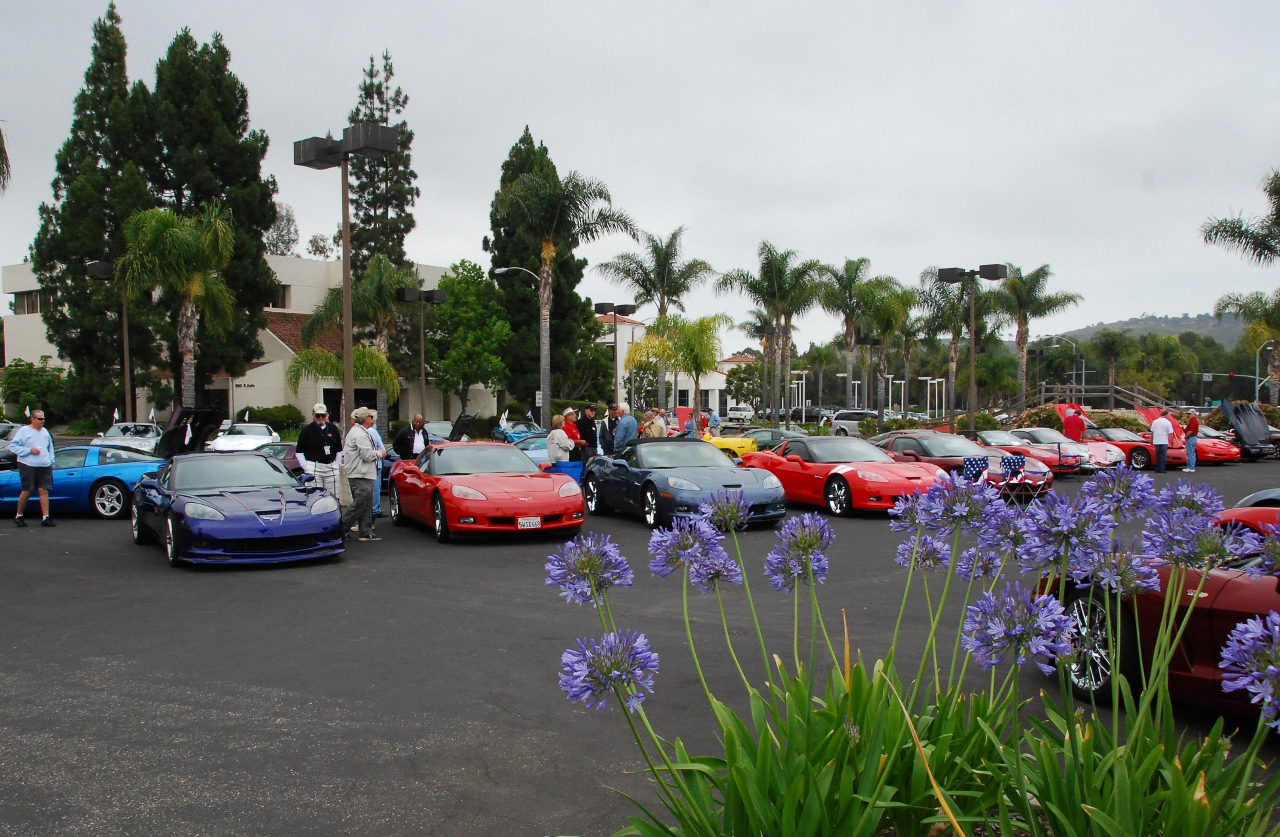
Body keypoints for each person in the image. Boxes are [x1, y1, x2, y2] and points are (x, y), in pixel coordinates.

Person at [342, 407, 384, 541]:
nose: (373, 420)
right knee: (360, 502)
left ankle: (365, 531)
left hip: (363, 473)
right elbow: (367, 455)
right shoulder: (359, 434)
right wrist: (380, 454)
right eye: (371, 417)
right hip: (359, 473)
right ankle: (340, 528)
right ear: (366, 419)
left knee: (366, 502)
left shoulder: (359, 432)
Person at [9, 409, 56, 527]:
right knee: (28, 489)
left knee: (43, 489)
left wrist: (50, 460)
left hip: (44, 465)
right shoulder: (24, 431)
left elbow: (50, 448)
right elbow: (14, 447)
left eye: (44, 419)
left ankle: (46, 517)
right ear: (33, 419)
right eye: (40, 419)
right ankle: (19, 515)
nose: (42, 421)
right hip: (27, 464)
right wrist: (29, 450)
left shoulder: (45, 432)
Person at [295, 403, 343, 497]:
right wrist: (306, 466)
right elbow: (299, 451)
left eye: (323, 415)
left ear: (327, 415)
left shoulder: (333, 428)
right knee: (315, 496)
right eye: (318, 415)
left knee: (333, 496)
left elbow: (339, 449)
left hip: (331, 466)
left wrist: (337, 464)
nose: (321, 418)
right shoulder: (307, 430)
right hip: (314, 466)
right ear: (313, 415)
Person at [367, 411, 387, 517]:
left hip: (374, 463)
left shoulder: (370, 431)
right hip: (376, 462)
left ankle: (374, 509)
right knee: (375, 487)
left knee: (374, 488)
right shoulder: (372, 431)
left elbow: (381, 448)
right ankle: (375, 509)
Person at [1150, 408, 1174, 473]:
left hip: (1156, 441)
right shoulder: (1168, 422)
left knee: (1158, 455)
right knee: (1163, 455)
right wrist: (1172, 441)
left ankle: (1157, 468)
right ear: (1166, 415)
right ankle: (1162, 468)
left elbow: (1152, 432)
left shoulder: (1155, 422)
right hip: (1164, 441)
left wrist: (1151, 440)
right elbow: (1171, 433)